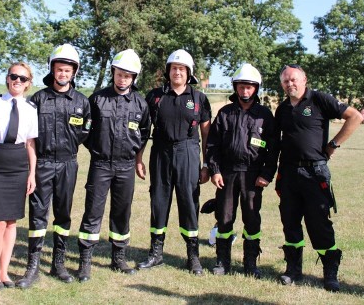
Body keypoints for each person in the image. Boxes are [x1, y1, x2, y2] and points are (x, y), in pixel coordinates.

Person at [275, 64, 362, 292]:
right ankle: (293, 269)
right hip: (288, 173)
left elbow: (355, 117)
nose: (289, 84)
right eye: (285, 81)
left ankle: (330, 273)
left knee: (319, 223)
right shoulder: (282, 109)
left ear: (304, 80)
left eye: (293, 79)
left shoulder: (319, 100)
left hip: (315, 172)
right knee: (290, 222)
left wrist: (333, 145)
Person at [16, 44, 91, 288]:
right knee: (38, 215)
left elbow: (85, 133)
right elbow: (29, 135)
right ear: (53, 70)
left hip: (68, 163)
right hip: (43, 163)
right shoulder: (39, 98)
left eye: (67, 70)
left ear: (74, 72)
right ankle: (33, 266)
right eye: (59, 70)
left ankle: (58, 263)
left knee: (63, 214)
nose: (63, 74)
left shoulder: (81, 102)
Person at [76, 49, 151, 282]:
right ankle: (85, 261)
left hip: (126, 166)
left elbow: (145, 133)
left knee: (122, 212)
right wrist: (98, 150)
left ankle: (118, 257)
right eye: (119, 74)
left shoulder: (140, 103)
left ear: (134, 78)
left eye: (128, 76)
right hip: (100, 164)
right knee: (93, 211)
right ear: (113, 73)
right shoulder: (97, 99)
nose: (123, 79)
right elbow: (85, 131)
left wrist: (136, 158)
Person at [137, 49, 212, 275]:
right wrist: (138, 157)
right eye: (173, 68)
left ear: (188, 73)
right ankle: (156, 253)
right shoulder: (155, 96)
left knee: (189, 202)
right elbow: (143, 129)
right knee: (158, 200)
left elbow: (206, 135)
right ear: (168, 71)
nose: (177, 72)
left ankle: (192, 256)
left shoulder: (199, 98)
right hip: (160, 151)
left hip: (188, 151)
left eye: (181, 69)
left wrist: (206, 164)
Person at [204, 63, 277, 278]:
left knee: (252, 219)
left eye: (249, 87)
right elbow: (212, 145)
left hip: (253, 175)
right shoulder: (225, 113)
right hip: (227, 173)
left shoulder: (265, 115)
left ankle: (250, 263)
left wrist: (266, 174)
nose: (245, 91)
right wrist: (215, 170)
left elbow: (273, 149)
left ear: (256, 89)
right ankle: (222, 261)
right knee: (225, 218)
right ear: (235, 88)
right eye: (241, 87)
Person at [0, 63, 38, 289]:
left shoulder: (31, 109)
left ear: (28, 83)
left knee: (12, 222)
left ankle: (5, 271)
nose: (17, 81)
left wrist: (32, 173)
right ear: (7, 78)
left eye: (22, 78)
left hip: (18, 164)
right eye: (13, 76)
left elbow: (30, 143)